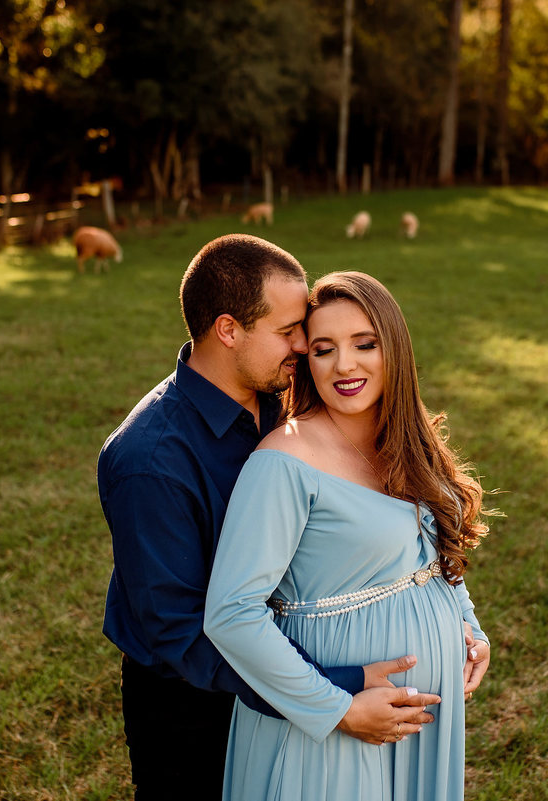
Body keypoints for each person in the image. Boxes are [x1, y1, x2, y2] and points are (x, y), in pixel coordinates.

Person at [97, 236, 446, 801]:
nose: (304, 345)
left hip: (284, 672)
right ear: (229, 330)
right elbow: (177, 633)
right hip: (193, 707)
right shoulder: (150, 461)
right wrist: (331, 694)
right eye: (289, 331)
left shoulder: (280, 400)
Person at [204, 270, 492, 801]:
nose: (345, 365)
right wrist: (339, 708)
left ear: (396, 349)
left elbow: (428, 554)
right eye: (323, 349)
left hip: (420, 717)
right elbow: (231, 613)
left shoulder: (409, 441)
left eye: (365, 343)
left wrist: (468, 628)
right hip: (334, 717)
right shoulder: (284, 462)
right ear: (305, 362)